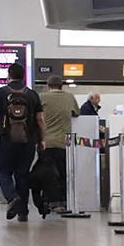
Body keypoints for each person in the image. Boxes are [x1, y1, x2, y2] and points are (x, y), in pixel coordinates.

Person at [0, 63, 45, 223]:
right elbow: (40, 119)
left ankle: (12, 197)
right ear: (24, 77)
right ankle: (23, 212)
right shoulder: (32, 94)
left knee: (2, 170)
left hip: (7, 140)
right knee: (22, 174)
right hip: (28, 140)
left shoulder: (1, 92)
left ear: (8, 76)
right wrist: (42, 139)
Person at [39, 75, 80, 213]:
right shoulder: (69, 97)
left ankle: (52, 202)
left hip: (47, 142)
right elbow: (76, 113)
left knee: (49, 174)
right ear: (61, 86)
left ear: (48, 85)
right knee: (63, 173)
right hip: (64, 143)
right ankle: (64, 201)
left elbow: (37, 117)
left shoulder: (42, 97)